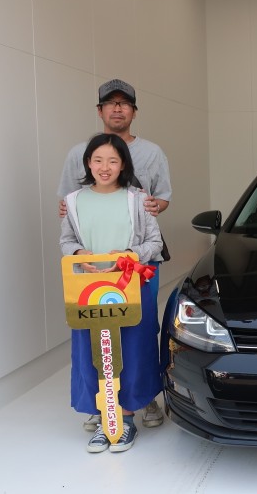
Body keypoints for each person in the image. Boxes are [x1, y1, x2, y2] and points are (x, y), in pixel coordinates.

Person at [58, 79, 171, 430]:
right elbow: (68, 214)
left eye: (125, 103)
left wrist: (147, 211)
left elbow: (161, 201)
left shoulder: (151, 155)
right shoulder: (77, 159)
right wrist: (79, 251)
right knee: (93, 341)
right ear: (100, 110)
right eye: (111, 103)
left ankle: (142, 398)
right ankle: (100, 405)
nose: (117, 108)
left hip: (136, 269)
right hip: (91, 276)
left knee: (139, 334)